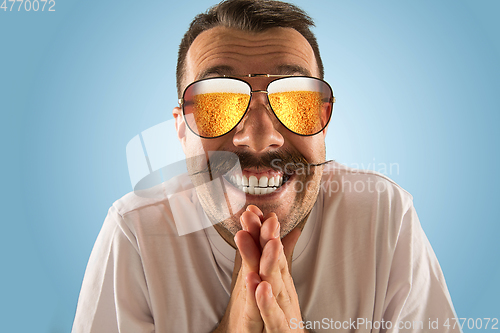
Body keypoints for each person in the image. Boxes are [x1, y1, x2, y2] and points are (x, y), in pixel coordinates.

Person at [72, 0, 461, 332]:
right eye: (217, 104)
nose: (259, 137)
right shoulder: (135, 231)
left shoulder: (383, 216)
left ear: (324, 119)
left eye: (295, 100)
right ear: (180, 128)